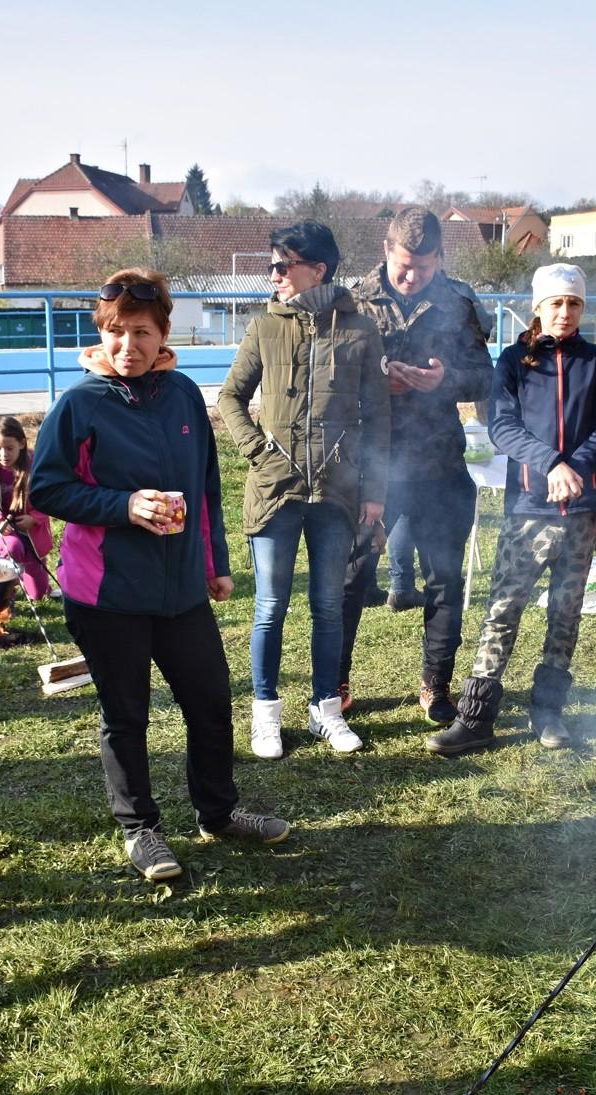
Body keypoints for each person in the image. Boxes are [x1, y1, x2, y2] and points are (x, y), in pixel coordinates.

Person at [30, 270, 290, 881]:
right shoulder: (80, 405)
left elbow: (205, 486)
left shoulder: (181, 396)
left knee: (210, 702)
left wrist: (214, 564)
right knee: (127, 716)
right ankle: (140, 829)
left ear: (164, 332)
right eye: (116, 332)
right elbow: (47, 488)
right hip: (107, 594)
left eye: (142, 332)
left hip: (181, 591)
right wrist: (122, 506)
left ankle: (218, 813)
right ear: (101, 333)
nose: (129, 345)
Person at [428, 263, 596, 756]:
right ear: (538, 307)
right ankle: (476, 719)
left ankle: (548, 711)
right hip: (528, 510)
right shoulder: (515, 361)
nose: (565, 312)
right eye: (556, 303)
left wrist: (575, 468)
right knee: (503, 610)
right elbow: (503, 427)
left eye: (574, 303)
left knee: (566, 614)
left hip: (581, 511)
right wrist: (551, 464)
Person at [216, 221, 388, 759]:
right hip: (276, 492)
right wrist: (258, 452)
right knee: (270, 607)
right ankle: (265, 715)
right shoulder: (263, 326)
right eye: (273, 265)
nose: (274, 274)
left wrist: (374, 489)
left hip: (338, 493)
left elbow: (378, 415)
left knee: (329, 607)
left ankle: (325, 710)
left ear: (317, 269)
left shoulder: (360, 330)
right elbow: (229, 398)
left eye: (282, 265)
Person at [342, 207, 496, 725]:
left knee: (445, 579)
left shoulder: (459, 302)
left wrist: (444, 381)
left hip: (438, 461)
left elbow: (485, 377)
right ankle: (335, 683)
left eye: (423, 267)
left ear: (440, 259)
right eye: (404, 265)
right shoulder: (354, 302)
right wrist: (374, 383)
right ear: (386, 250)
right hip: (372, 463)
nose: (411, 277)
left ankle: (436, 683)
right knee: (352, 576)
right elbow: (329, 378)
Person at [0, 415, 54, 600]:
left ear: (21, 444)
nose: (3, 454)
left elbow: (50, 496)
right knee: (12, 547)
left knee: (37, 594)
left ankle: (30, 570)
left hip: (29, 529)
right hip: (0, 529)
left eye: (9, 448)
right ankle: (4, 591)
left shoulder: (36, 466)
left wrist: (34, 518)